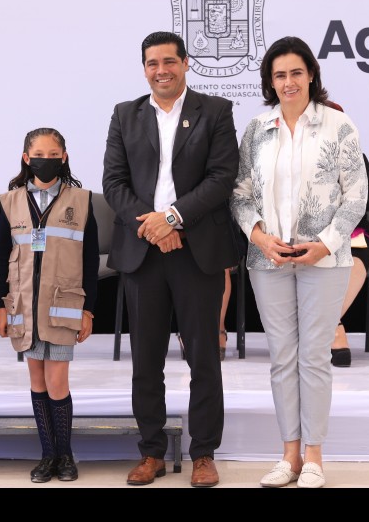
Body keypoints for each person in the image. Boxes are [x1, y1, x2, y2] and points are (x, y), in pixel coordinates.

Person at [102, 31, 240, 488]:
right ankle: (151, 452)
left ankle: (203, 454)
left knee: (203, 357)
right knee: (146, 360)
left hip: (196, 249)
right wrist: (152, 226)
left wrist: (173, 219)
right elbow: (114, 182)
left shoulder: (215, 111)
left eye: (168, 61)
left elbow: (222, 177)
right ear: (144, 68)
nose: (160, 70)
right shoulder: (125, 114)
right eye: (152, 63)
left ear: (185, 63)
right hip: (144, 250)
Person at [231, 36, 367, 489]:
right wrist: (258, 236)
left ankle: (314, 458)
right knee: (282, 358)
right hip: (267, 258)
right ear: (270, 82)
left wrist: (325, 244)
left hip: (324, 260)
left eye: (295, 72)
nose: (288, 82)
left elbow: (356, 195)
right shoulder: (256, 129)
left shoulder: (338, 124)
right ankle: (288, 455)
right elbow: (240, 194)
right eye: (279, 75)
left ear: (311, 75)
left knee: (314, 357)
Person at [0, 128, 99, 483]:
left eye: (54, 155)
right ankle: (47, 455)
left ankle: (65, 455)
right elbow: (1, 257)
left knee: (57, 382)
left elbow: (89, 259)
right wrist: (1, 306)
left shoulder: (81, 201)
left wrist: (88, 310)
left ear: (64, 157)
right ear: (26, 158)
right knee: (37, 380)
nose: (46, 160)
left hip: (63, 307)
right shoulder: (10, 201)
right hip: (24, 306)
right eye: (39, 154)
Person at [324, 103, 369, 368]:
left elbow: (368, 201)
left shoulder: (356, 158)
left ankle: (327, 323)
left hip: (351, 229)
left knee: (355, 257)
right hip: (305, 231)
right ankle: (333, 328)